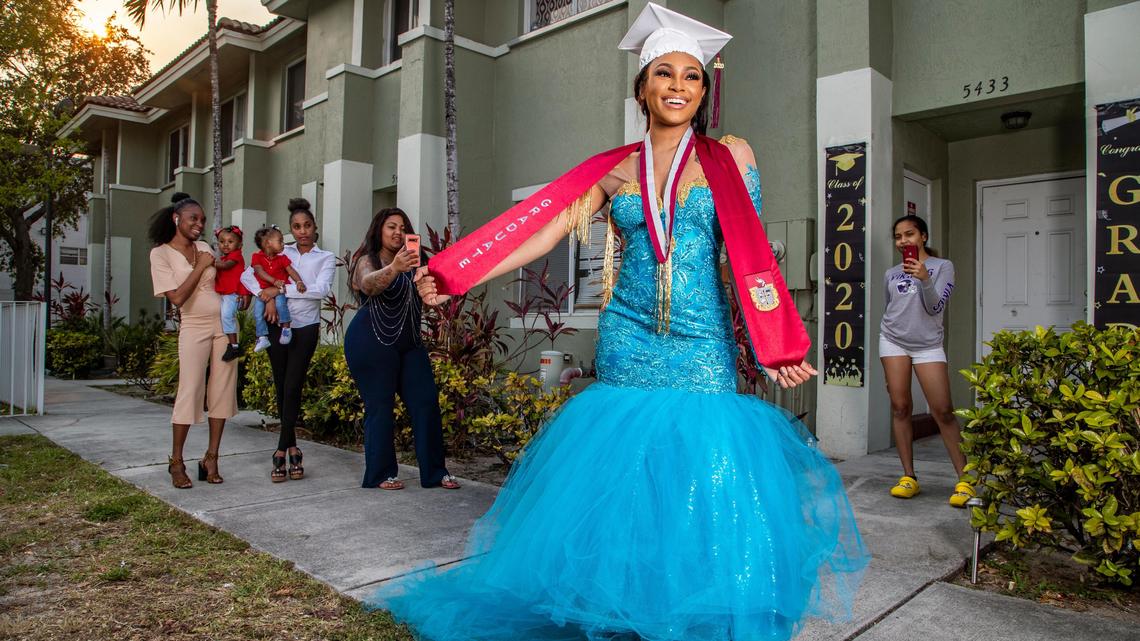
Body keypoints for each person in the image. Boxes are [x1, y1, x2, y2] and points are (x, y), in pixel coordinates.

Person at [373, 5, 867, 640]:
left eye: (692, 76)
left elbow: (749, 248)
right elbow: (543, 230)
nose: (679, 87)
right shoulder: (613, 169)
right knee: (627, 482)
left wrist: (776, 341)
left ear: (704, 90)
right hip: (629, 339)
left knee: (699, 480)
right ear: (642, 88)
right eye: (665, 73)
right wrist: (462, 272)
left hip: (701, 342)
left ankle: (688, 612)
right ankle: (622, 609)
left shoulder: (730, 156)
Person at [344, 208, 459, 491]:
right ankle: (381, 473)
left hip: (409, 342)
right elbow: (368, 285)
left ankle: (434, 472)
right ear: (379, 231)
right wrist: (394, 267)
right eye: (390, 226)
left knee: (426, 402)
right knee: (380, 406)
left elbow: (435, 292)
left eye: (402, 226)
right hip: (371, 340)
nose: (397, 231)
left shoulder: (418, 260)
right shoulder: (367, 260)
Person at [240, 198, 336, 482]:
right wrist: (264, 294)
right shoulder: (280, 251)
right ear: (291, 230)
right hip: (275, 326)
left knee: (293, 384)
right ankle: (292, 447)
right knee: (282, 385)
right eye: (297, 226)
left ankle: (281, 450)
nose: (302, 231)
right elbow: (248, 276)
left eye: (307, 225)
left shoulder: (325, 257)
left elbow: (320, 290)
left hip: (305, 328)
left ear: (315, 227)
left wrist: (275, 291)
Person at [880, 214, 971, 506]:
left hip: (928, 345)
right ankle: (909, 477)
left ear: (923, 236)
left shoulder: (943, 267)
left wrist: (924, 278)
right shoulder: (891, 274)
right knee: (900, 406)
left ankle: (965, 481)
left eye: (909, 234)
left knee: (943, 410)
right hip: (893, 340)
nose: (903, 241)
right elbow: (891, 308)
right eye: (898, 236)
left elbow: (935, 307)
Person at [148, 194, 238, 488]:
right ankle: (176, 461)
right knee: (190, 389)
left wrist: (241, 294)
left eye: (202, 219)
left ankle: (211, 457)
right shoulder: (160, 254)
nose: (199, 224)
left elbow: (222, 279)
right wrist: (200, 267)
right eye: (193, 219)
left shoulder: (203, 246)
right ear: (177, 220)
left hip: (224, 325)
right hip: (194, 325)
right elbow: (176, 298)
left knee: (222, 390)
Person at [250, 226, 306, 353]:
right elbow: (259, 271)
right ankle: (262, 336)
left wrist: (299, 281)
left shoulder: (282, 258)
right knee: (258, 312)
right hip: (264, 291)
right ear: (268, 243)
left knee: (281, 305)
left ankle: (286, 328)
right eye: (280, 241)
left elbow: (291, 270)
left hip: (280, 289)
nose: (283, 244)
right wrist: (273, 281)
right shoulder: (257, 257)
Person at [213, 225, 247, 362]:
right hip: (226, 293)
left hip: (233, 294)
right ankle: (233, 344)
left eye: (230, 242)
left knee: (227, 316)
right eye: (222, 242)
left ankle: (234, 346)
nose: (225, 244)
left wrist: (209, 262)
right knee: (225, 316)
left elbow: (226, 267)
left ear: (239, 244)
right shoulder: (224, 258)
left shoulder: (235, 256)